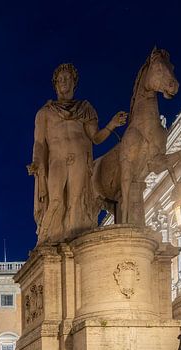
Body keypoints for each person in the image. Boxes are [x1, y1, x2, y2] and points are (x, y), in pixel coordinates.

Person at [29, 63, 127, 243]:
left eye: (68, 79)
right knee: (56, 200)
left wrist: (112, 124)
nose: (64, 82)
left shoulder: (85, 109)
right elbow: (39, 143)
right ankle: (44, 240)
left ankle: (74, 244)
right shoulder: (44, 113)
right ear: (56, 84)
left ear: (74, 83)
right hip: (56, 161)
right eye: (61, 79)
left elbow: (96, 138)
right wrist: (36, 162)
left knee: (77, 201)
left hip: (80, 158)